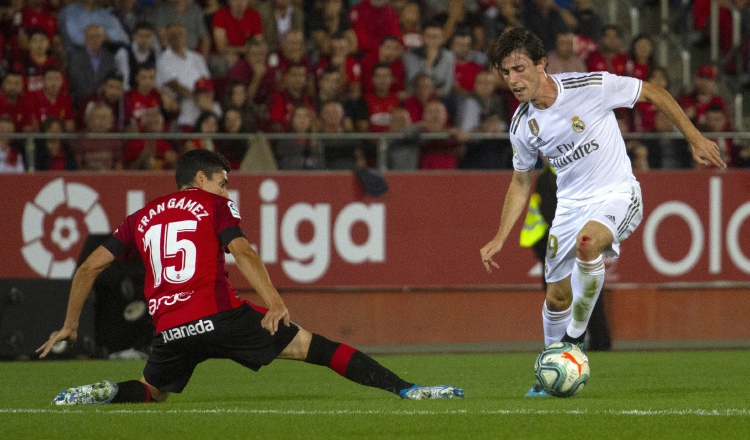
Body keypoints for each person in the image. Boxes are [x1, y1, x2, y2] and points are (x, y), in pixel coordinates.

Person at [37, 149, 465, 404]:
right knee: (314, 347)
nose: (226, 190)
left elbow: (90, 265)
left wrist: (70, 324)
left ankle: (105, 392)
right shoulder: (213, 205)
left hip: (169, 328)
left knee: (154, 390)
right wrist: (275, 301)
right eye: (222, 182)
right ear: (201, 180)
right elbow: (242, 250)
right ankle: (408, 390)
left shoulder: (140, 217)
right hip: (220, 315)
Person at [479, 28, 725, 397]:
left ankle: (574, 343)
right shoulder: (522, 126)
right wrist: (500, 236)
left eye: (519, 68)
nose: (513, 80)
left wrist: (695, 138)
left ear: (542, 64)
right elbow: (520, 181)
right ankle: (549, 364)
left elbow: (652, 92)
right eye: (505, 72)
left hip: (617, 193)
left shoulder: (589, 86)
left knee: (588, 244)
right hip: (570, 206)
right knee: (556, 297)